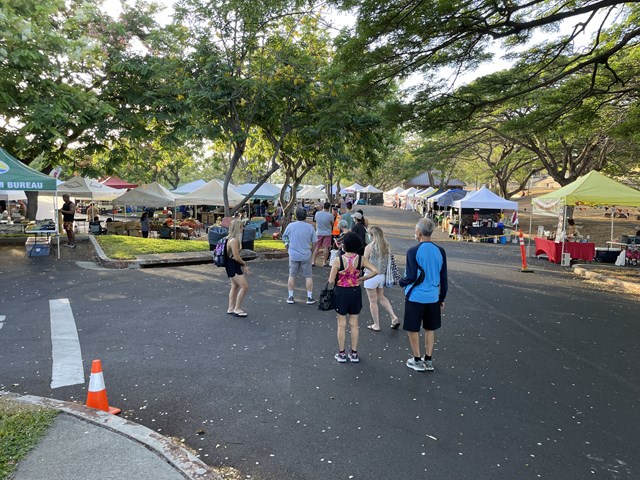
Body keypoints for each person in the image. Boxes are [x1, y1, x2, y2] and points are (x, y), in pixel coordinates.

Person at [399, 218, 448, 372]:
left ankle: (417, 359)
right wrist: (442, 297)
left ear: (419, 232)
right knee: (430, 328)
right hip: (433, 296)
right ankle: (428, 359)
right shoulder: (440, 251)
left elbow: (411, 276)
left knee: (413, 329)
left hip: (416, 296)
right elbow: (443, 277)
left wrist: (401, 282)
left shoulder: (413, 251)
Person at [328, 232, 378, 363]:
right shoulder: (361, 259)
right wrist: (362, 278)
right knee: (354, 324)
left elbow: (331, 280)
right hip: (355, 292)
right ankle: (354, 353)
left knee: (341, 324)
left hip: (341, 292)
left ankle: (341, 353)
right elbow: (375, 271)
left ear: (344, 245)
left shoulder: (338, 260)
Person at [363, 226, 400, 331]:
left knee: (373, 301)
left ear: (372, 235)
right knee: (381, 297)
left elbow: (364, 262)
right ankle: (394, 317)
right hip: (382, 276)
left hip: (371, 276)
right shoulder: (386, 246)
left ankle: (376, 324)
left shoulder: (369, 247)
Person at [283, 207, 317, 305]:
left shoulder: (290, 226)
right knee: (308, 276)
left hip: (293, 254)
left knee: (292, 275)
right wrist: (311, 251)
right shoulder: (310, 227)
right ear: (305, 216)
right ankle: (309, 297)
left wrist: (288, 247)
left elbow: (284, 238)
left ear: (296, 215)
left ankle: (290, 296)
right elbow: (314, 242)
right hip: (306, 254)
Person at [225, 219, 250, 317]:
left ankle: (231, 308)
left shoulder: (228, 239)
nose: (243, 228)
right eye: (241, 226)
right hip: (233, 265)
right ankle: (237, 308)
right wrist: (244, 264)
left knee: (234, 287)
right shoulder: (234, 241)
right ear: (237, 228)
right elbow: (236, 257)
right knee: (245, 286)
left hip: (230, 264)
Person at [311, 202, 333, 267]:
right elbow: (332, 223)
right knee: (326, 247)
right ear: (329, 208)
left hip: (319, 232)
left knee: (317, 247)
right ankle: (324, 262)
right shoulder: (330, 215)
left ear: (323, 206)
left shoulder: (317, 213)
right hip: (327, 233)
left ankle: (313, 261)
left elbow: (315, 220)